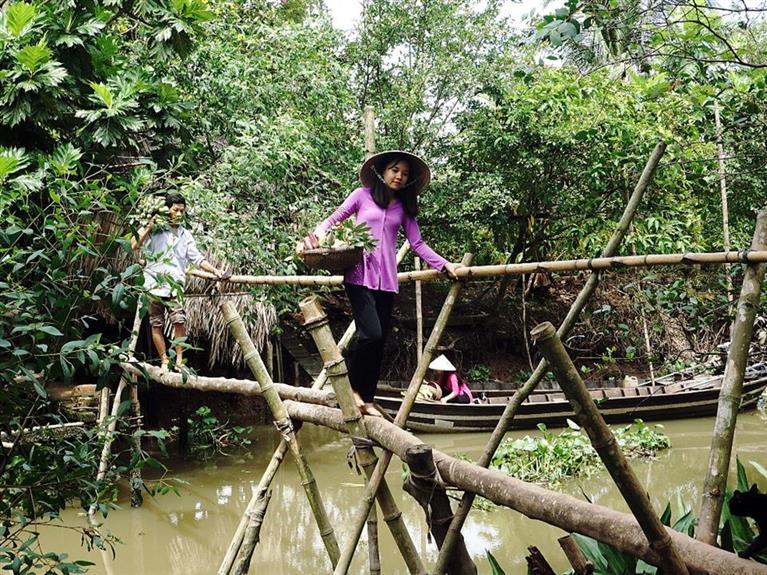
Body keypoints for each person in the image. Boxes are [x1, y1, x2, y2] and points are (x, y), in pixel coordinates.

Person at [297, 151, 463, 417]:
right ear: (382, 171)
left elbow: (417, 244)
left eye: (405, 173)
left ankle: (368, 399)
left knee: (380, 341)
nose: (399, 176)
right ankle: (350, 390)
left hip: (387, 282)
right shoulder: (360, 195)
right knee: (370, 334)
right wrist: (312, 238)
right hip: (359, 277)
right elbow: (334, 219)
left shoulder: (404, 209)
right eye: (395, 170)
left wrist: (446, 265)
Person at [131, 192, 229, 371]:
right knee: (156, 324)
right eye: (175, 210)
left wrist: (215, 270)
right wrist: (148, 227)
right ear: (167, 210)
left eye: (182, 211)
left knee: (179, 321)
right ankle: (164, 360)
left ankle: (179, 360)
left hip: (174, 286)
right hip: (153, 285)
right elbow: (133, 245)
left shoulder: (185, 235)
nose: (179, 214)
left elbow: (197, 259)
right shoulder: (155, 230)